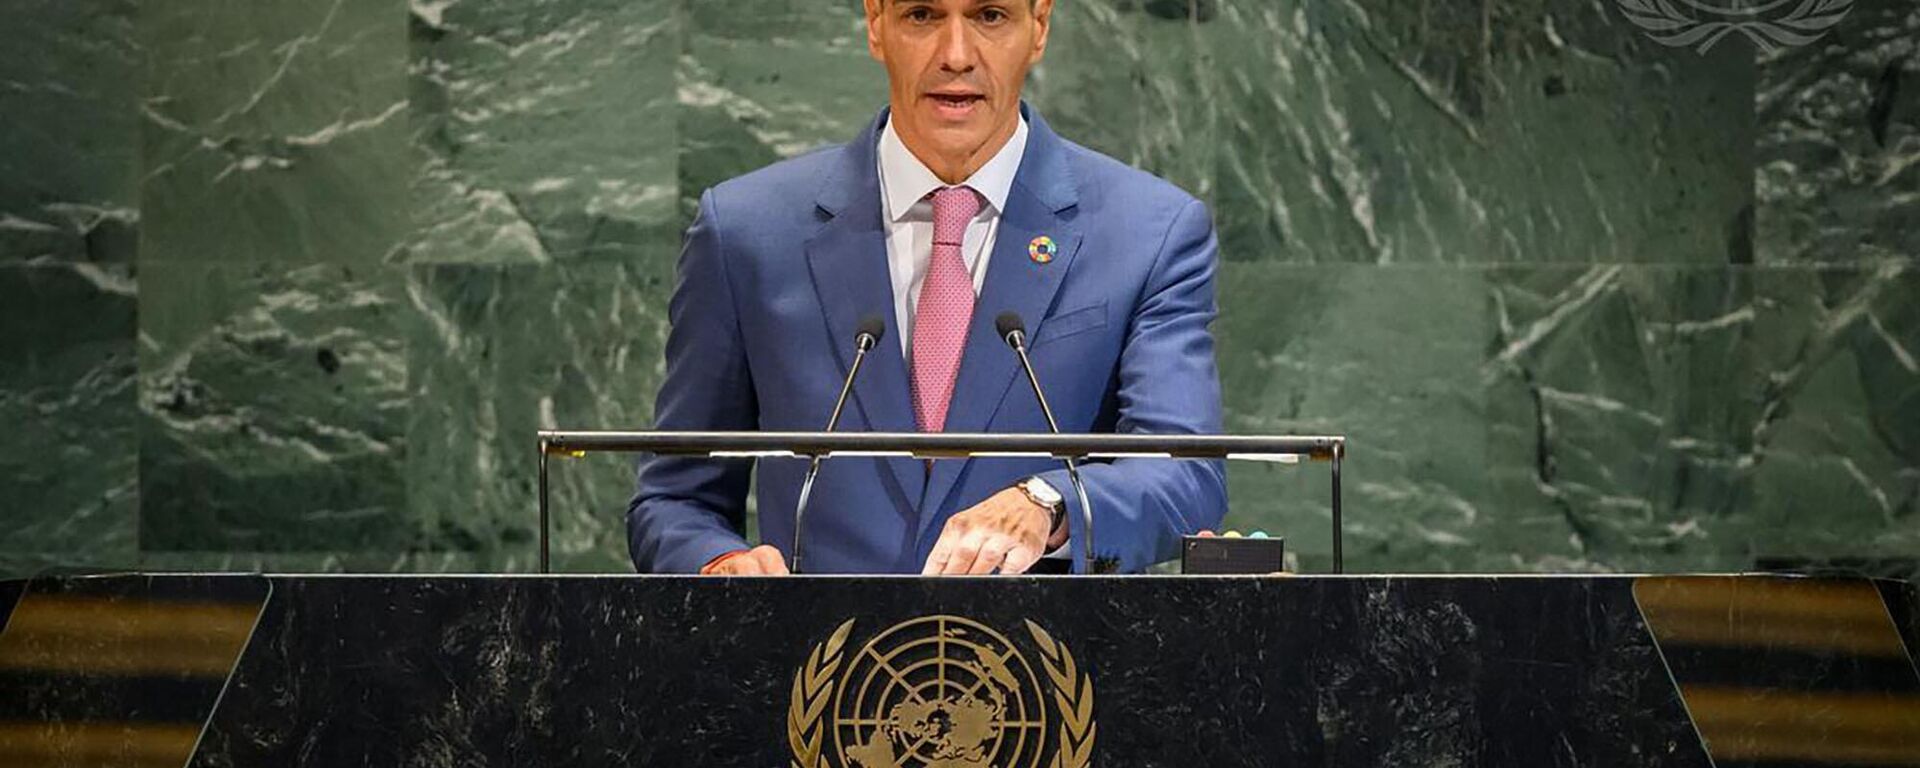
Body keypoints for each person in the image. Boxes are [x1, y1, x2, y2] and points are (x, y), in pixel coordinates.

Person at [626, 0, 1225, 575]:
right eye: (922, 15)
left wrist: (1050, 501)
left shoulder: (1147, 233)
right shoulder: (748, 232)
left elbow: (1185, 474)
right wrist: (720, 565)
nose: (956, 54)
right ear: (876, 23)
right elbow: (676, 500)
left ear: (1039, 25)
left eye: (990, 16)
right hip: (820, 645)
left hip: (1046, 646)